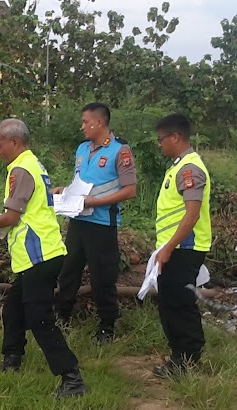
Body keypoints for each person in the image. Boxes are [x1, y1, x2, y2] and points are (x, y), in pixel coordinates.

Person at [0, 118, 88, 398]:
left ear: (14, 142)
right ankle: (12, 359)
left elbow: (12, 217)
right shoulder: (33, 164)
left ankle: (72, 379)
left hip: (40, 255)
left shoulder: (21, 168)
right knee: (13, 308)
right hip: (37, 256)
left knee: (40, 318)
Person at [52, 102, 137, 344]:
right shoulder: (81, 149)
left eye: (85, 122)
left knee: (103, 277)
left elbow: (130, 190)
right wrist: (64, 190)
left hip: (102, 224)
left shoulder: (120, 151)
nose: (82, 127)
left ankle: (106, 325)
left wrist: (95, 202)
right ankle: (61, 315)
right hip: (78, 220)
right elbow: (82, 183)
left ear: (99, 122)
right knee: (68, 271)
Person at [152, 113, 211, 377]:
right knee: (170, 301)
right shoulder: (178, 166)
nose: (159, 144)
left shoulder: (189, 169)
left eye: (161, 139)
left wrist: (168, 247)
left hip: (184, 248)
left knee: (179, 303)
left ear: (176, 137)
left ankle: (187, 359)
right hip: (175, 247)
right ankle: (179, 356)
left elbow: (192, 213)